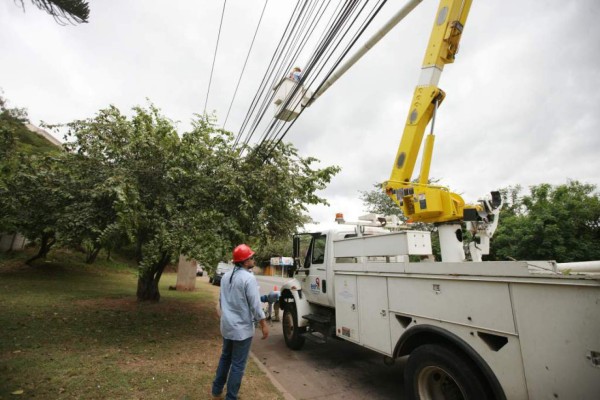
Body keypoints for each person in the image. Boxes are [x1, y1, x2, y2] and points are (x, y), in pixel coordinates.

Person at [212, 244, 269, 400]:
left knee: (225, 357)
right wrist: (263, 324)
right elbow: (255, 305)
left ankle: (216, 389)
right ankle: (231, 397)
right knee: (237, 364)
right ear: (245, 261)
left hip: (227, 326)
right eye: (251, 257)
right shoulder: (248, 278)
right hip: (241, 330)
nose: (253, 259)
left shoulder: (225, 276)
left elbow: (222, 300)